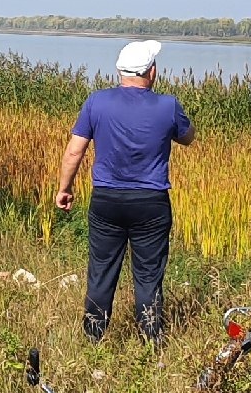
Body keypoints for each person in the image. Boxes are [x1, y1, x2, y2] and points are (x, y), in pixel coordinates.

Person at [53, 40, 194, 344]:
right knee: (148, 276)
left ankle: (93, 339)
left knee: (101, 273)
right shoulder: (168, 105)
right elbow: (188, 137)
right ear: (152, 71)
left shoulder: (96, 102)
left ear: (119, 71)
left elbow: (74, 152)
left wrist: (64, 189)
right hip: (151, 204)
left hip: (107, 200)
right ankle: (151, 341)